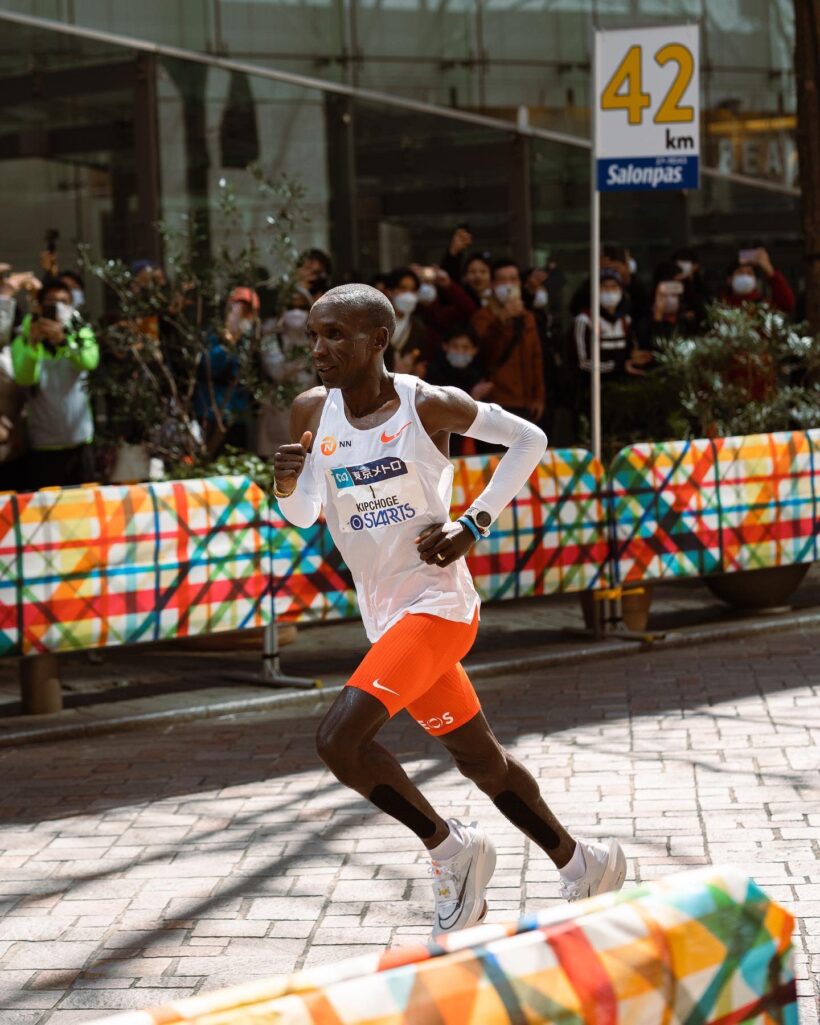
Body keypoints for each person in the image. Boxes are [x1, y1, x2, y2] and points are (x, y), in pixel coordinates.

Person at [273, 284, 626, 938]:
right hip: (387, 617)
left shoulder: (425, 403)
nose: (320, 349)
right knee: (480, 758)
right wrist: (288, 484)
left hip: (438, 606)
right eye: (315, 336)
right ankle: (583, 861)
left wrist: (474, 521)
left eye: (336, 335)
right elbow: (304, 515)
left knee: (338, 739)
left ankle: (450, 848)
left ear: (379, 340)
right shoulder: (311, 412)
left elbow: (529, 439)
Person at [11, 278, 99, 489]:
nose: (58, 307)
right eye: (51, 302)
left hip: (80, 441)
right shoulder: (23, 339)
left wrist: (64, 341)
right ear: (40, 306)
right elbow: (24, 377)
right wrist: (33, 344)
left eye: (64, 301)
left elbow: (90, 362)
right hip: (44, 446)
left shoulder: (80, 334)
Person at [470, 259, 545, 429]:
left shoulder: (527, 317)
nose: (508, 285)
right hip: (496, 400)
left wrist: (538, 396)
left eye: (513, 279)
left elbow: (536, 358)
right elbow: (485, 354)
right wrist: (501, 321)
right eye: (503, 280)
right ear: (493, 284)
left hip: (525, 401)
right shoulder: (483, 317)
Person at [720, 248, 795, 315]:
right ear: (729, 280)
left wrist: (769, 270)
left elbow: (786, 304)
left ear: (755, 280)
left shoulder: (763, 306)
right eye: (740, 272)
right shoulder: (720, 307)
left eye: (749, 273)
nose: (745, 276)